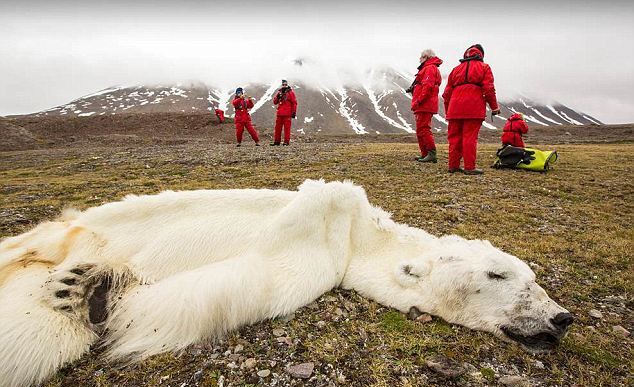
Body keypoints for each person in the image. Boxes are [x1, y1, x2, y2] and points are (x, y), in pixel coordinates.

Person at [442, 44, 500, 175]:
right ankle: (469, 167)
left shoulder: (455, 69)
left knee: (454, 138)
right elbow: (489, 89)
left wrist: (448, 111)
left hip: (454, 108)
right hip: (474, 107)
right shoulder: (484, 67)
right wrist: (494, 107)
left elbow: (446, 94)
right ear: (481, 55)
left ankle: (453, 166)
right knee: (469, 137)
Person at [407, 49, 443, 163]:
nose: (419, 59)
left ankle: (431, 154)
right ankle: (425, 153)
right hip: (422, 104)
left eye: (421, 57)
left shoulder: (430, 68)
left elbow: (427, 86)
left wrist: (419, 101)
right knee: (420, 130)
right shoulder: (427, 68)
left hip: (424, 104)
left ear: (426, 57)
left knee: (424, 129)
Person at [271, 79, 297, 146]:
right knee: (277, 128)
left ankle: (286, 142)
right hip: (279, 113)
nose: (284, 86)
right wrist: (277, 97)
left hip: (287, 114)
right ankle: (277, 141)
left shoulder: (291, 93)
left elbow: (294, 103)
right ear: (281, 85)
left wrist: (294, 112)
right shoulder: (279, 92)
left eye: (285, 84)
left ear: (287, 85)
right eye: (283, 84)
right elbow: (275, 102)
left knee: (287, 128)